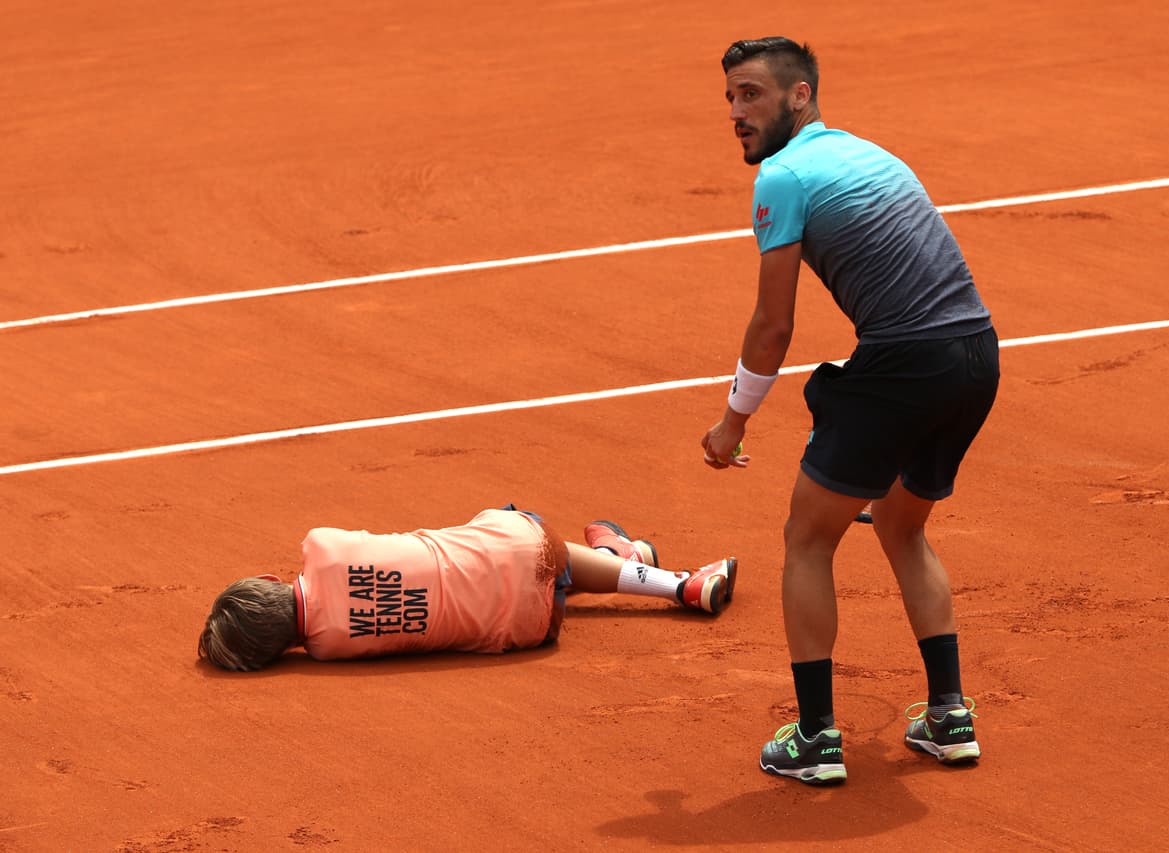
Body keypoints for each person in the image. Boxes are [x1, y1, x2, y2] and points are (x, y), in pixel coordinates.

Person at [702, 37, 999, 785]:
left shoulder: (785, 175)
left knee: (806, 537)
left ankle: (814, 737)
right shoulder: (871, 154)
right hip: (975, 356)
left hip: (902, 365)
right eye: (731, 97)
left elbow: (774, 325)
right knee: (901, 521)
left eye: (752, 95)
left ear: (800, 95)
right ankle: (948, 714)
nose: (737, 111)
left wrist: (733, 423)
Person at [198, 507, 737, 671]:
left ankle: (635, 562)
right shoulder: (318, 545)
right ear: (269, 581)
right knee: (507, 536)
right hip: (528, 549)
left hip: (529, 630)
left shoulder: (329, 647)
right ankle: (667, 581)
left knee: (509, 578)